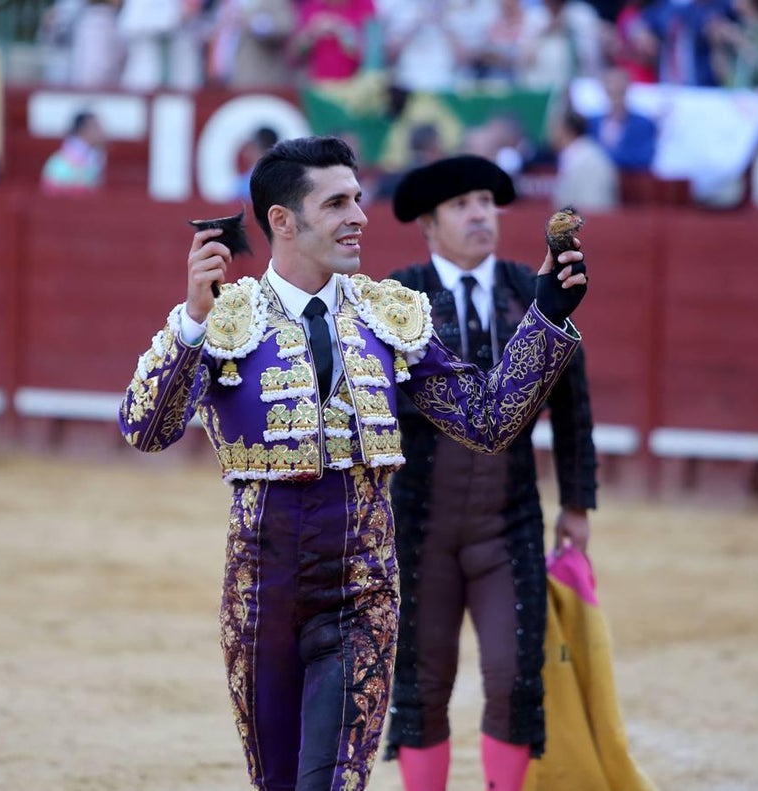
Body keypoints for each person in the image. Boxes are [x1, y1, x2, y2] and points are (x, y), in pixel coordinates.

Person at [116, 136, 589, 791]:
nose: (360, 216)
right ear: (283, 220)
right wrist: (193, 322)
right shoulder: (224, 320)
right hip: (261, 597)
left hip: (360, 594)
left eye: (358, 199)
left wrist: (546, 317)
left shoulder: (387, 314)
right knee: (279, 781)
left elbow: (487, 419)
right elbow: (146, 428)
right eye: (336, 202)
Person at [383, 154, 598, 791]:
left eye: (486, 200)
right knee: (421, 682)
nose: (481, 213)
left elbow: (572, 403)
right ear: (428, 223)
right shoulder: (399, 298)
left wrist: (578, 503)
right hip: (419, 523)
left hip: (510, 522)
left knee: (514, 678)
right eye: (462, 204)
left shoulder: (531, 292)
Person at [588, 66, 658, 172]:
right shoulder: (592, 123)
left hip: (630, 182)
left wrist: (604, 159)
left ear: (627, 89)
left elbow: (645, 157)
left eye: (620, 92)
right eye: (611, 92)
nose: (616, 98)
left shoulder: (643, 124)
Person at [549, 110, 620, 212]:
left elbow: (594, 210)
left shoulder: (590, 163)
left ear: (567, 131)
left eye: (554, 127)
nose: (549, 132)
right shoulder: (572, 157)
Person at [41, 110, 107, 194]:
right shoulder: (59, 163)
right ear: (83, 130)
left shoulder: (95, 158)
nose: (101, 132)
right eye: (96, 127)